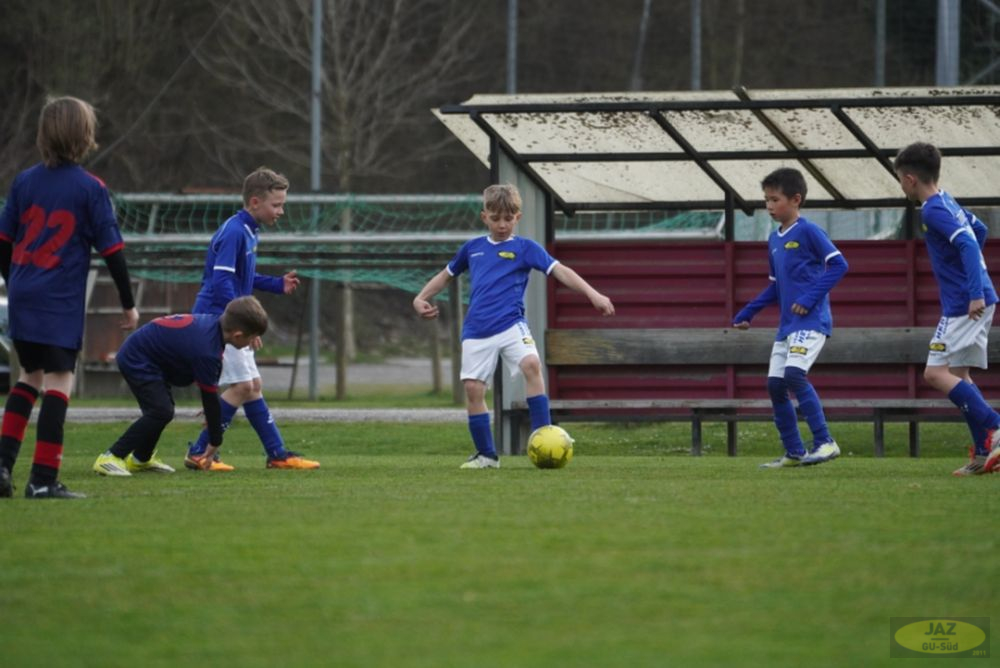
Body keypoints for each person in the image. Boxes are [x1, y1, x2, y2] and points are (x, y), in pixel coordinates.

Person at [413, 183, 615, 469]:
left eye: (508, 219)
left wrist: (593, 294)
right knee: (473, 390)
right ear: (484, 216)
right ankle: (486, 456)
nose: (502, 225)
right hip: (476, 330)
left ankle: (546, 438)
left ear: (517, 217)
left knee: (532, 364)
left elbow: (560, 271)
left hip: (511, 324)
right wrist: (421, 297)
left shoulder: (525, 248)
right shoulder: (473, 248)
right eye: (496, 218)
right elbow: (445, 276)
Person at [0, 96, 139, 499]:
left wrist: (16, 282)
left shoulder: (24, 182)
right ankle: (43, 479)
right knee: (59, 382)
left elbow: (3, 241)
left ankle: (2, 466)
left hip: (24, 293)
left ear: (44, 135)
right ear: (85, 136)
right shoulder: (90, 189)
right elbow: (113, 252)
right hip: (58, 298)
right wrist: (128, 303)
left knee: (28, 377)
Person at [183, 167, 318, 471]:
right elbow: (221, 282)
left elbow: (243, 275)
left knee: (252, 385)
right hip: (219, 320)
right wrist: (244, 323)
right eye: (276, 205)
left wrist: (276, 284)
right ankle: (200, 451)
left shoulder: (247, 230)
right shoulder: (234, 232)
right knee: (244, 386)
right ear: (255, 202)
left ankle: (277, 454)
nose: (281, 211)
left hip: (230, 318)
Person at [894, 142, 1000, 475]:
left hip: (965, 303)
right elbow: (978, 229)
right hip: (975, 298)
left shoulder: (931, 210)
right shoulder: (947, 200)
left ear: (910, 179)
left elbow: (967, 241)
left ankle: (996, 427)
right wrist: (972, 273)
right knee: (959, 376)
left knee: (935, 373)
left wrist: (972, 289)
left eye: (900, 180)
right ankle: (983, 454)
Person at [733, 167, 849, 469]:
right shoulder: (774, 239)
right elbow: (775, 286)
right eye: (766, 200)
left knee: (794, 375)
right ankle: (794, 452)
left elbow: (839, 265)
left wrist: (809, 299)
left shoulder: (809, 231)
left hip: (812, 322)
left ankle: (825, 442)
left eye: (775, 200)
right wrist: (749, 312)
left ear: (796, 200)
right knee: (775, 384)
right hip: (787, 327)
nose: (769, 206)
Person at [93, 296, 269, 476]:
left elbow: (210, 393)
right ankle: (111, 457)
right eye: (252, 337)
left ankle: (140, 459)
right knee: (160, 412)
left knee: (162, 411)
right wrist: (215, 440)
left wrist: (211, 412)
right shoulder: (207, 350)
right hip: (137, 358)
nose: (253, 342)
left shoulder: (214, 328)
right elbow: (209, 397)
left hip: (151, 358)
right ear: (238, 335)